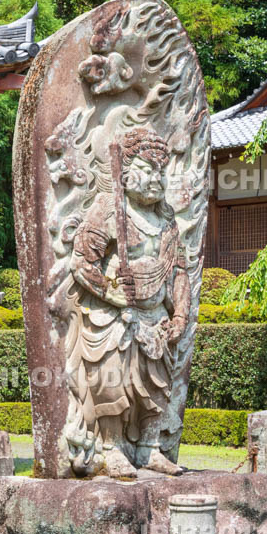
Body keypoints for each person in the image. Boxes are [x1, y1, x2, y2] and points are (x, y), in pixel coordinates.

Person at [62, 127, 190, 477]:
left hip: (155, 315)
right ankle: (111, 447)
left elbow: (179, 271)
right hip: (117, 315)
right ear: (126, 171)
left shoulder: (166, 221)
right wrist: (113, 291)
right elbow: (81, 263)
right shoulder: (109, 209)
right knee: (113, 378)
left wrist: (179, 314)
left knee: (156, 383)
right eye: (146, 170)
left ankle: (150, 447)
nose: (154, 179)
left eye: (160, 173)